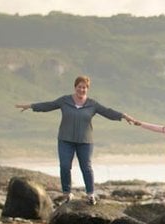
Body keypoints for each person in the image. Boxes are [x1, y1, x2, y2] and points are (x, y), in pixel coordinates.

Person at [14, 75, 137, 204]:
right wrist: (31, 106)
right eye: (79, 87)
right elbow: (48, 105)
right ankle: (67, 193)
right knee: (65, 166)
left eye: (84, 87)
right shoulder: (65, 100)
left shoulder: (92, 104)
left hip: (85, 141)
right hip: (65, 140)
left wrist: (124, 116)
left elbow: (108, 112)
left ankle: (90, 194)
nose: (81, 90)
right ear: (75, 87)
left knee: (86, 167)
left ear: (87, 89)